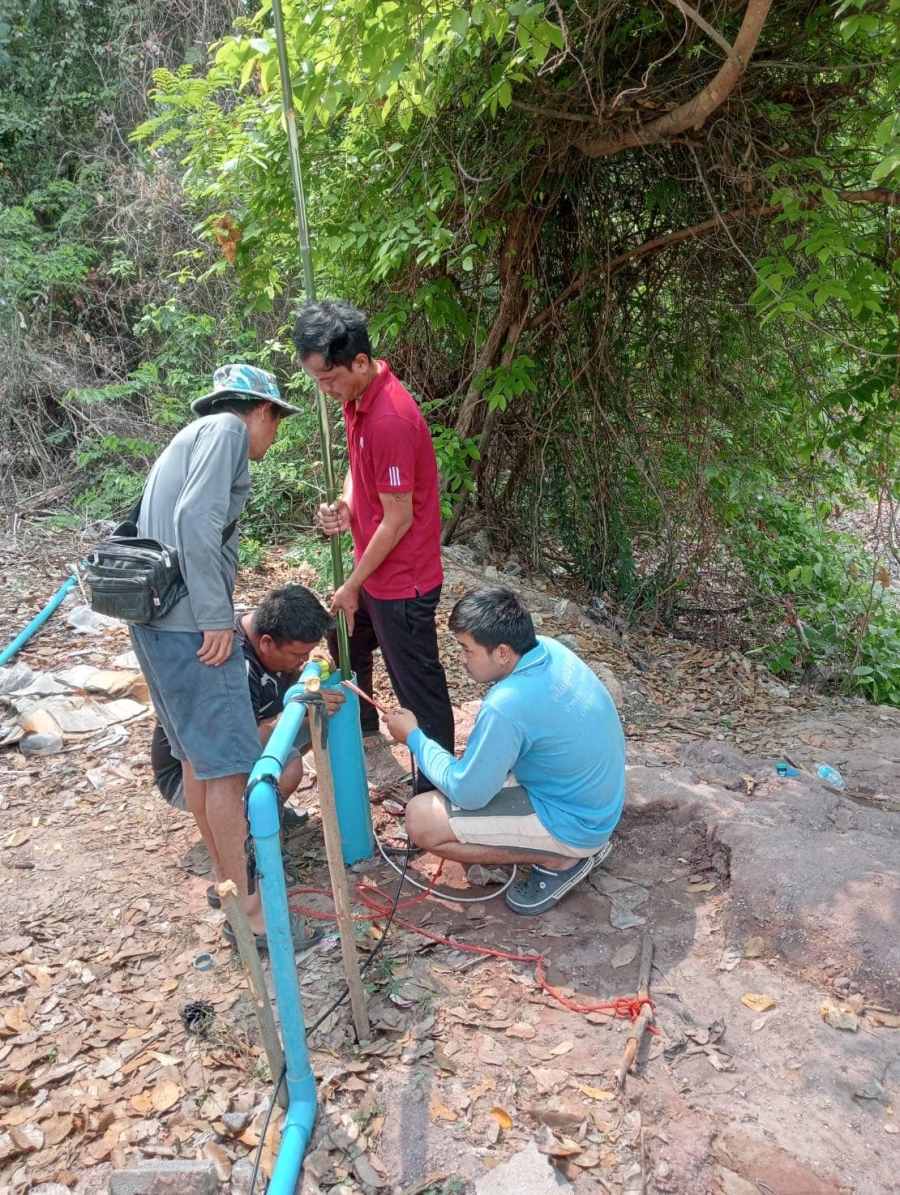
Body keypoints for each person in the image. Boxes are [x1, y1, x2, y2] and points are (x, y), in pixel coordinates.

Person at [128, 364, 319, 952]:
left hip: (157, 624)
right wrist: (216, 617)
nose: (273, 438)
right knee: (232, 773)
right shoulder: (228, 432)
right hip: (189, 625)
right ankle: (256, 916)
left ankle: (229, 887)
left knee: (199, 763)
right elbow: (196, 522)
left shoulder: (186, 442)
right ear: (262, 411)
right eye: (277, 424)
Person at [384, 587, 626, 916]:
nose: (461, 658)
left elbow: (468, 793)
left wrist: (414, 737)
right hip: (596, 804)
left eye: (467, 650)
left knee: (421, 818)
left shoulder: (507, 705)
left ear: (501, 652)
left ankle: (559, 858)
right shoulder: (550, 650)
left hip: (575, 824)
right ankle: (561, 845)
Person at [292, 300, 454, 783]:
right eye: (318, 380)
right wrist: (346, 504)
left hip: (403, 581)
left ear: (359, 362)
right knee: (345, 640)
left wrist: (354, 583)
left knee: (418, 689)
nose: (325, 390)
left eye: (329, 379)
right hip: (373, 569)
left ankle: (436, 786)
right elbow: (361, 472)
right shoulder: (356, 397)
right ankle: (363, 728)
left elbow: (399, 517)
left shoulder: (390, 418)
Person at [152, 584, 338, 843]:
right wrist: (299, 709)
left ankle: (263, 807)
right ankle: (249, 842)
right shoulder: (234, 670)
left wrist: (306, 665)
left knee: (323, 714)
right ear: (266, 643)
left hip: (236, 741)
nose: (303, 659)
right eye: (299, 654)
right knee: (289, 766)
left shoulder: (264, 626)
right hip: (191, 777)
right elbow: (233, 746)